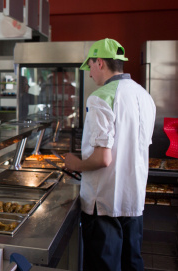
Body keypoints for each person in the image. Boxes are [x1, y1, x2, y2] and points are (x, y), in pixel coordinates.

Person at [63, 38, 156, 271]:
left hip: (103, 204)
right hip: (133, 200)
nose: (90, 73)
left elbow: (102, 159)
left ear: (100, 62)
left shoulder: (100, 98)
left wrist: (75, 163)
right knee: (131, 263)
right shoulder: (144, 96)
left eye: (90, 66)